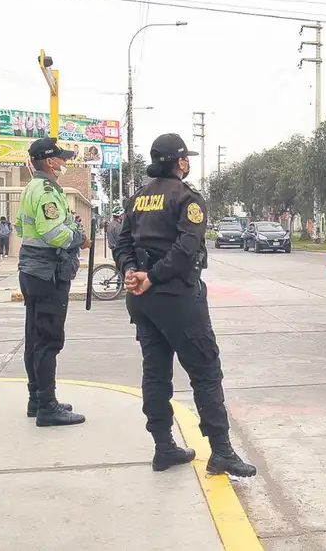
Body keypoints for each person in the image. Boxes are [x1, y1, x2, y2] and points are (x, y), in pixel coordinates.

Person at [113, 133, 256, 477]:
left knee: (156, 371)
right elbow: (186, 248)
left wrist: (133, 273)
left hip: (143, 301)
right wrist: (152, 276)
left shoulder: (137, 199)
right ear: (179, 162)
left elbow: (122, 244)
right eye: (185, 158)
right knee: (205, 371)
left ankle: (164, 447)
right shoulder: (187, 198)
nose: (187, 162)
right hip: (176, 296)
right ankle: (221, 451)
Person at [14, 137, 88, 427]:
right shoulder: (46, 191)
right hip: (47, 273)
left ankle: (37, 398)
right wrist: (79, 239)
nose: (64, 163)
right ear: (48, 161)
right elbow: (52, 232)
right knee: (48, 339)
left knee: (34, 337)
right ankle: (47, 405)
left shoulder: (32, 187)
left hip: (33, 270)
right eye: (61, 158)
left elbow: (22, 226)